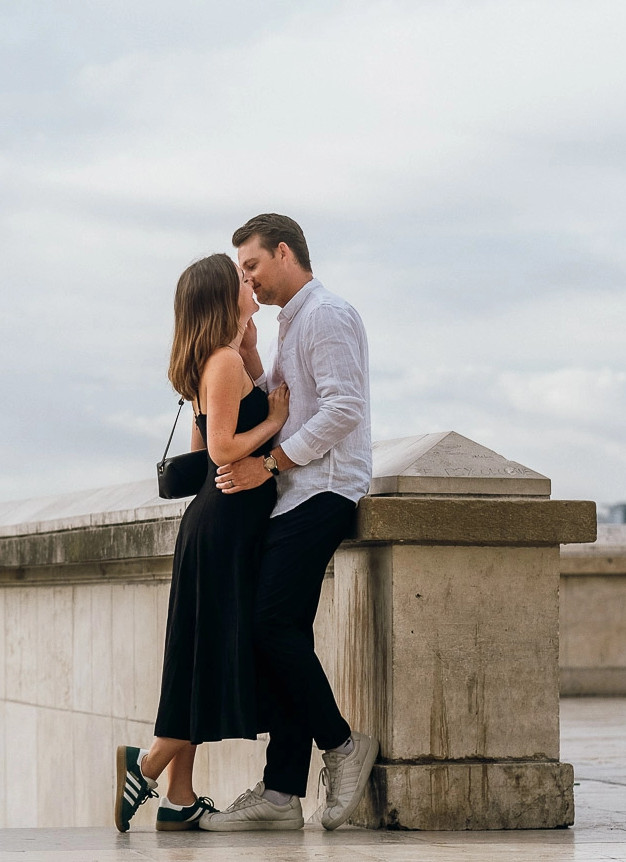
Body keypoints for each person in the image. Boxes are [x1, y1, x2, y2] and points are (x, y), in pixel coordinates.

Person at [200, 213, 379, 832]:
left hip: (324, 489)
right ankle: (281, 793)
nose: (247, 279)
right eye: (241, 271)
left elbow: (343, 409)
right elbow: (278, 402)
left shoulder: (325, 314)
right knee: (281, 633)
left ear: (284, 252)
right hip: (297, 493)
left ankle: (342, 745)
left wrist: (271, 464)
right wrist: (250, 352)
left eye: (251, 265)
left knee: (270, 625)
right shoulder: (293, 323)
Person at [115, 253, 290, 833]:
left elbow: (199, 453)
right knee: (210, 655)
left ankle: (179, 797)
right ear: (221, 296)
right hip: (225, 526)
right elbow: (219, 451)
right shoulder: (222, 362)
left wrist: (253, 352)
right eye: (240, 278)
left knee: (195, 655)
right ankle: (145, 766)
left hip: (213, 523)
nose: (250, 280)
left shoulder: (218, 360)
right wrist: (273, 423)